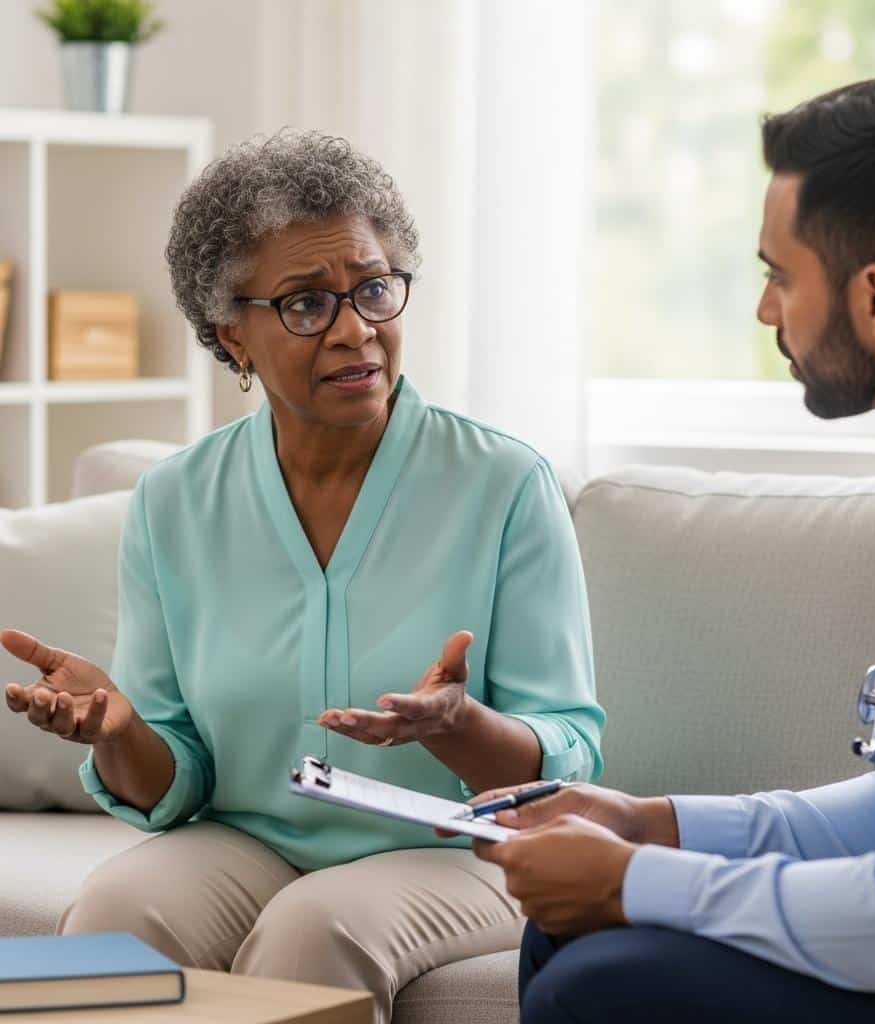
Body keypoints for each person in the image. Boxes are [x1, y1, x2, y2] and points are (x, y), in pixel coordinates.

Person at [1, 130, 605, 1024]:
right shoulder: (173, 501)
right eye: (305, 304)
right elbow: (175, 780)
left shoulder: (504, 485)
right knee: (109, 920)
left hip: (457, 854)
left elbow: (573, 753)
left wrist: (461, 727)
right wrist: (118, 730)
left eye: (372, 288)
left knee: (312, 932)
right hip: (245, 839)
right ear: (228, 335)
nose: (356, 328)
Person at [468, 76, 875, 1020]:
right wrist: (656, 825)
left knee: (600, 989)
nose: (769, 313)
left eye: (779, 275)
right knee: (568, 931)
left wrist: (637, 878)